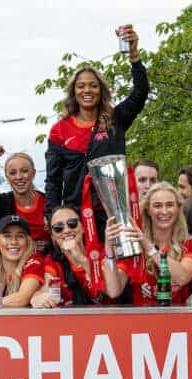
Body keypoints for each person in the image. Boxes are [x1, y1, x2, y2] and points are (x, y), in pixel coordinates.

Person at [44, 24, 148, 242]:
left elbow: (140, 93)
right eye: (81, 86)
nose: (87, 90)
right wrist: (53, 215)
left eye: (93, 86)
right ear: (73, 92)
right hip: (76, 217)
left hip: (112, 215)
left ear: (101, 91)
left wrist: (134, 55)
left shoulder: (114, 120)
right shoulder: (59, 130)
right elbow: (53, 181)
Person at [102, 182, 192, 304]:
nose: (164, 211)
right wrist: (109, 247)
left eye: (170, 205)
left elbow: (182, 277)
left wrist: (148, 246)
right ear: (148, 210)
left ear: (178, 208)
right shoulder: (135, 246)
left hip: (179, 320)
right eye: (157, 206)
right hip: (143, 320)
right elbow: (114, 291)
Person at [0, 145, 49, 253]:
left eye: (24, 171)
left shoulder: (48, 202)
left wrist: (48, 246)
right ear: (7, 177)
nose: (19, 177)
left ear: (33, 173)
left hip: (47, 263)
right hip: (12, 263)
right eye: (12, 173)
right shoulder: (2, 204)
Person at [30, 207, 100, 308]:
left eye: (72, 223)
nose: (67, 230)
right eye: (58, 228)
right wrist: (37, 298)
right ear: (53, 236)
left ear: (83, 227)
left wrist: (81, 260)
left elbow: (107, 292)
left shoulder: (99, 253)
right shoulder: (53, 261)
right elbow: (45, 288)